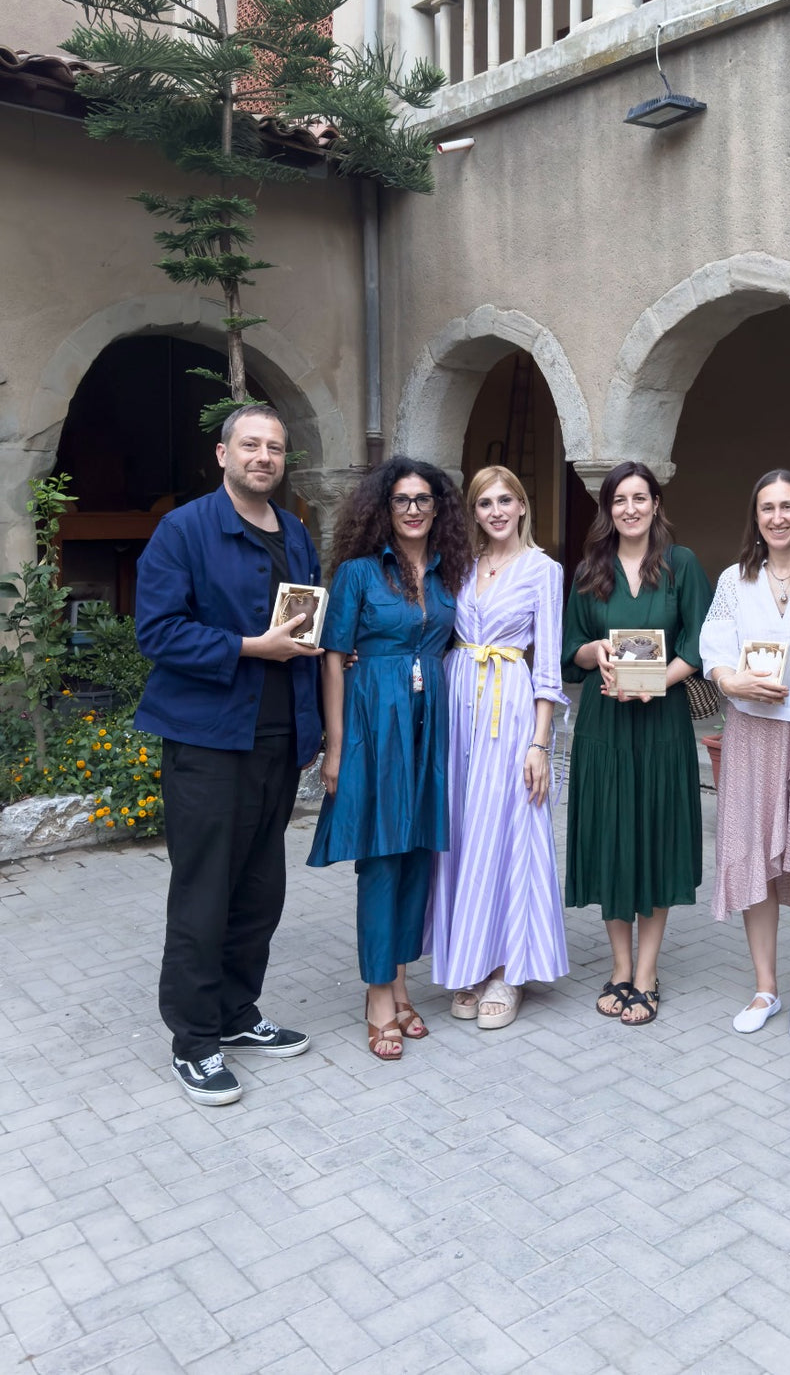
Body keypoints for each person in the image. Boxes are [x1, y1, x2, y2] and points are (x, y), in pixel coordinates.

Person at [135, 404, 322, 1107]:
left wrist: (314, 722)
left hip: (276, 741)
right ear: (223, 455)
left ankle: (237, 1014)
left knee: (258, 891)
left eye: (274, 447)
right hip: (209, 740)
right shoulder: (184, 531)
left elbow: (303, 625)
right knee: (204, 891)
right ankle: (193, 1039)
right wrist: (249, 647)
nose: (263, 457)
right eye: (250, 445)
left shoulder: (296, 533)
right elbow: (157, 632)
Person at [306, 457, 470, 1061]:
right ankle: (379, 995)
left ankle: (401, 981)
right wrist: (336, 742)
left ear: (438, 507)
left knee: (417, 857)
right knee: (380, 859)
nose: (413, 510)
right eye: (402, 500)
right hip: (375, 726)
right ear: (384, 507)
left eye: (424, 499)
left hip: (431, 729)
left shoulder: (453, 573)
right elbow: (333, 657)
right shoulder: (356, 574)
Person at [699, 470, 790, 1042]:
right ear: (756, 516)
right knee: (754, 855)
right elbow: (713, 644)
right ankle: (765, 987)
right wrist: (732, 679)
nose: (778, 517)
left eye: (788, 506)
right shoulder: (736, 580)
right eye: (768, 507)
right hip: (752, 736)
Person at [562, 461, 712, 1025]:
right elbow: (569, 647)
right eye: (619, 499)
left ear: (655, 504)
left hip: (661, 727)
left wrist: (655, 681)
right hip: (603, 729)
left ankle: (647, 973)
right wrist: (593, 653)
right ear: (608, 508)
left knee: (654, 839)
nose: (629, 508)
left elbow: (700, 642)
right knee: (609, 840)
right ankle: (619, 966)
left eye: (640, 498)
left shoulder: (682, 565)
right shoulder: (587, 571)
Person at [427, 466, 569, 1028]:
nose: (496, 511)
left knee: (508, 829)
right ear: (474, 511)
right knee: (461, 832)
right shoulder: (458, 566)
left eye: (506, 499)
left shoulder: (544, 570)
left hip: (509, 708)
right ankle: (469, 960)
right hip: (456, 705)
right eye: (485, 503)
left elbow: (550, 664)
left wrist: (540, 743)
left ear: (523, 504)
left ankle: (508, 971)